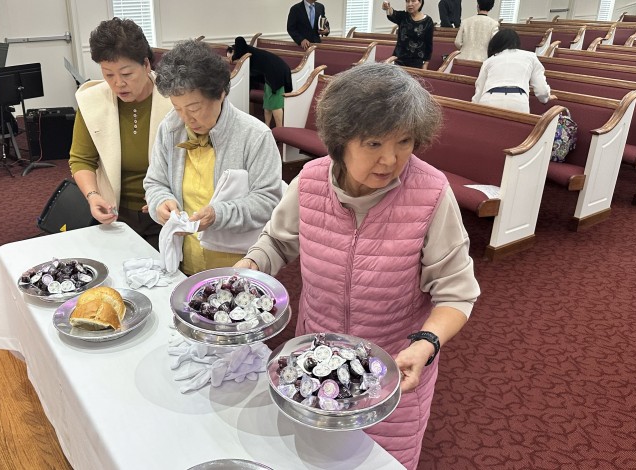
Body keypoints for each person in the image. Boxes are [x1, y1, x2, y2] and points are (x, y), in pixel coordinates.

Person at [235, 63, 479, 469]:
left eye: (404, 142)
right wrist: (249, 266)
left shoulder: (432, 192)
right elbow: (276, 242)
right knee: (311, 457)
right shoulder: (310, 181)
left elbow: (457, 293)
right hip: (315, 363)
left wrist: (426, 344)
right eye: (373, 143)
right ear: (340, 140)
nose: (390, 159)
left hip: (391, 369)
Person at [144, 40, 283, 276]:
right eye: (177, 108)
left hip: (237, 264)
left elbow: (267, 201)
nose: (186, 118)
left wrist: (219, 214)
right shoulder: (170, 128)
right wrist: (160, 202)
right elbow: (155, 182)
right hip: (185, 260)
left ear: (220, 93)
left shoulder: (254, 135)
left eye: (194, 108)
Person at [68, 18, 173, 249]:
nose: (118, 84)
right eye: (108, 75)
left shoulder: (174, 98)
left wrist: (166, 195)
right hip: (114, 214)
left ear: (146, 65)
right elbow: (81, 159)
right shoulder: (91, 101)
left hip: (167, 213)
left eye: (126, 74)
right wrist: (93, 196)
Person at [471, 29, 554, 113]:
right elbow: (541, 89)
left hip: (489, 99)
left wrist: (473, 108)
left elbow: (479, 90)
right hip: (517, 100)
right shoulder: (530, 57)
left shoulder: (489, 61)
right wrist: (545, 98)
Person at [227, 37, 294, 128]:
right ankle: (267, 127)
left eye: (230, 56)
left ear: (235, 51)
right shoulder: (247, 56)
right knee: (267, 105)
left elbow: (239, 40)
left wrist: (234, 57)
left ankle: (280, 129)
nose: (231, 60)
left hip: (276, 74)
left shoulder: (245, 50)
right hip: (269, 76)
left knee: (275, 105)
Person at [382, 0, 435, 68]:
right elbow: (393, 14)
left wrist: (425, 64)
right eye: (407, 1)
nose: (410, 4)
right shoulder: (403, 16)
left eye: (413, 1)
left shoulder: (428, 21)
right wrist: (387, 7)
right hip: (399, 60)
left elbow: (428, 44)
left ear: (420, 2)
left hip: (417, 61)